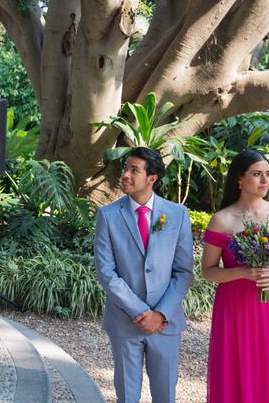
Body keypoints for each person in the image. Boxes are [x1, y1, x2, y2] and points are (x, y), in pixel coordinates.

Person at [94, 147, 194, 403]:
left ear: (152, 178)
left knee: (165, 395)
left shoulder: (177, 214)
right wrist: (141, 312)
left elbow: (183, 271)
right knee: (127, 395)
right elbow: (106, 272)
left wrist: (160, 314)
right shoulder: (107, 215)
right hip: (125, 321)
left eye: (133, 170)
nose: (125, 174)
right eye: (125, 168)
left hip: (165, 322)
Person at [202, 149, 269, 403]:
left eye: (267, 174)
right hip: (236, 309)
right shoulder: (222, 220)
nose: (265, 181)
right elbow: (208, 271)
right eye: (257, 174)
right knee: (238, 369)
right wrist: (242, 272)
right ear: (239, 179)